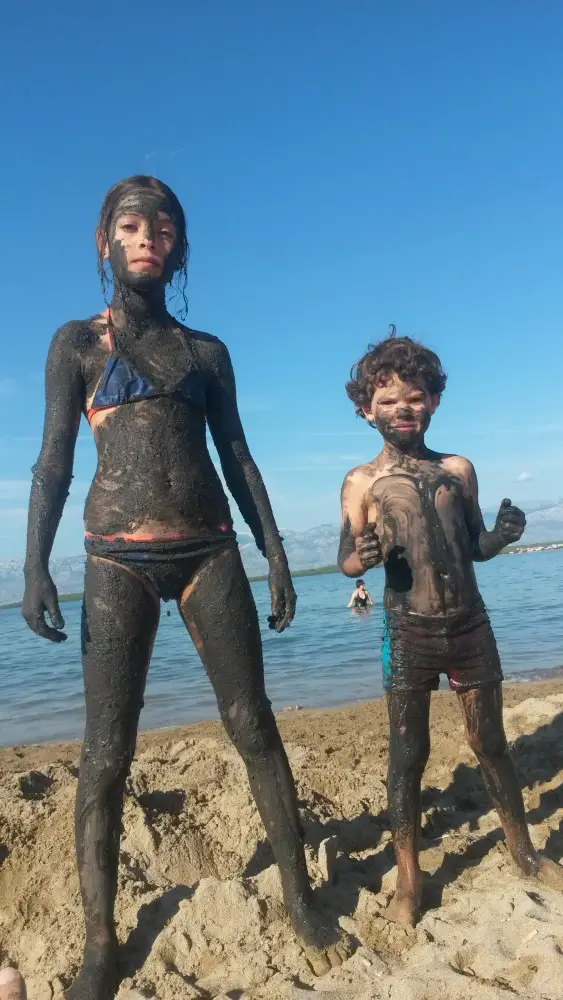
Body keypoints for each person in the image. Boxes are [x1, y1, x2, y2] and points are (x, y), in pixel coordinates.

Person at [22, 176, 345, 999]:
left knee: (253, 725)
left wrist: (274, 549)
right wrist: (33, 567)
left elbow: (238, 458)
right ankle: (100, 944)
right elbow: (55, 460)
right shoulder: (76, 345)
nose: (148, 238)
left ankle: (301, 899)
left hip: (210, 552)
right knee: (105, 754)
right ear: (105, 242)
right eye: (131, 226)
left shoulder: (207, 354)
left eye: (163, 228)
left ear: (180, 247)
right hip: (113, 560)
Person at [337, 329, 563, 926]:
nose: (402, 409)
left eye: (414, 396)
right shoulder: (361, 482)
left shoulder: (458, 470)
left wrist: (504, 535)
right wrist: (364, 552)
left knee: (489, 742)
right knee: (409, 752)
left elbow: (476, 546)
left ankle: (523, 851)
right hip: (405, 632)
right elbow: (346, 561)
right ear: (366, 410)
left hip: (469, 625)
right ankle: (409, 879)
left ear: (433, 400)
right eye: (387, 400)